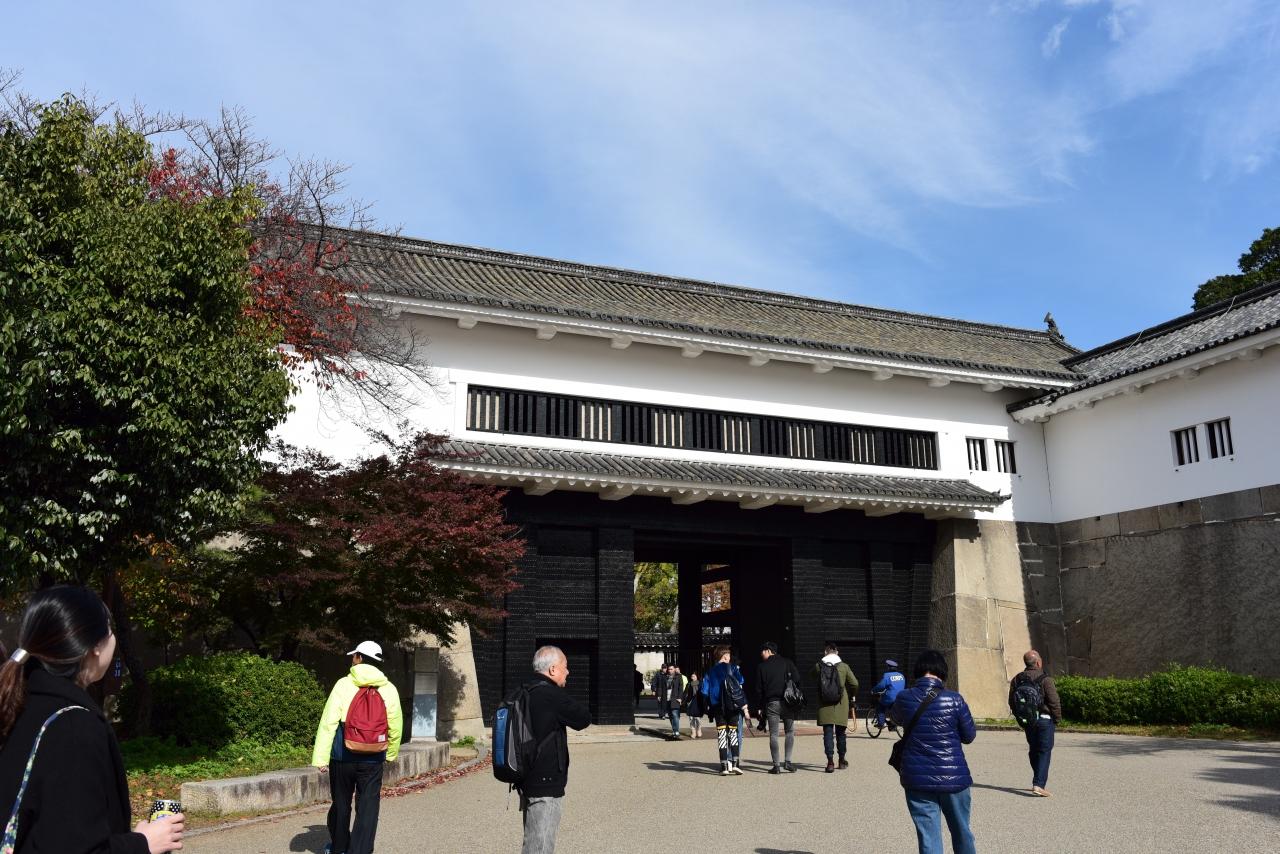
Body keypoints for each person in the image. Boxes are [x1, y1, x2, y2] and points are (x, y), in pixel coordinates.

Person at [0, 585, 185, 854]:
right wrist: (143, 843)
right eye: (109, 631)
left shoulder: (18, 704)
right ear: (95, 646)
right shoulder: (74, 727)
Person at [311, 640, 404, 854]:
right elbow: (396, 725)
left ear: (360, 658)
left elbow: (328, 723)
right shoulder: (389, 688)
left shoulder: (343, 684)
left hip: (342, 756)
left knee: (341, 804)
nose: (352, 659)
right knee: (368, 807)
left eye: (354, 656)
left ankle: (339, 848)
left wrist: (321, 758)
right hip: (373, 758)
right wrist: (390, 753)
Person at [890, 649, 977, 854]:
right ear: (942, 672)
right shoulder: (955, 699)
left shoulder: (904, 697)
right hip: (954, 777)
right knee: (961, 831)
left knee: (928, 837)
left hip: (917, 777)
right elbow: (969, 736)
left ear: (918, 670)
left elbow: (895, 718)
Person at [520, 645, 591, 854]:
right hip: (546, 782)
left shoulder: (523, 690)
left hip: (525, 776)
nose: (568, 672)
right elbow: (583, 719)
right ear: (552, 669)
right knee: (540, 845)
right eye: (565, 666)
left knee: (533, 838)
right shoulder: (550, 694)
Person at [1012, 649, 1062, 797]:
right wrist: (1057, 719)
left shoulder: (1017, 679)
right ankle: (1038, 785)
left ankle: (1038, 779)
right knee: (1044, 751)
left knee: (1034, 750)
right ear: (1038, 663)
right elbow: (1054, 702)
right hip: (1044, 720)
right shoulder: (1045, 679)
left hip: (1028, 721)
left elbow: (1012, 701)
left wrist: (1020, 717)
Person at [700, 646, 748, 775]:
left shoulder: (710, 671)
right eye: (729, 655)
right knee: (733, 733)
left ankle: (724, 766)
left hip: (717, 706)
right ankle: (735, 764)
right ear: (725, 656)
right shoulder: (733, 668)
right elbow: (741, 680)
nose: (730, 657)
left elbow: (704, 691)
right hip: (732, 705)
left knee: (722, 735)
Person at [756, 641, 801, 774]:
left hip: (772, 703)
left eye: (762, 651)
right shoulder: (787, 662)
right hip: (788, 702)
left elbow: (758, 690)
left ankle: (776, 766)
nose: (761, 654)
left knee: (774, 734)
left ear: (768, 651)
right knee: (789, 732)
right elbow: (797, 679)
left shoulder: (762, 667)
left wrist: (760, 706)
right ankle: (788, 762)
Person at [813, 641, 859, 772]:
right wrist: (852, 696)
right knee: (841, 733)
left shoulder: (819, 666)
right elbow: (855, 683)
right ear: (837, 652)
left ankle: (830, 763)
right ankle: (842, 761)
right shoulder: (844, 666)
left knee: (827, 733)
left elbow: (812, 676)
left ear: (825, 652)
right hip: (841, 703)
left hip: (824, 703)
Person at [872, 659, 907, 728]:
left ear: (888, 667)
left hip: (890, 698)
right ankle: (893, 725)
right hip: (900, 697)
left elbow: (881, 686)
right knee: (892, 709)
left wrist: (873, 690)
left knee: (880, 706)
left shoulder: (887, 675)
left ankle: (881, 723)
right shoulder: (901, 675)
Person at [664, 665, 687, 739]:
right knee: (670, 715)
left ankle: (676, 731)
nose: (670, 670)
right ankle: (674, 730)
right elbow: (662, 687)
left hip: (675, 698)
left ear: (674, 669)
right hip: (667, 698)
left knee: (675, 715)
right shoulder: (666, 677)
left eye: (671, 669)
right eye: (669, 669)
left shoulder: (678, 676)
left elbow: (681, 687)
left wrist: (680, 697)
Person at [684, 673, 703, 739]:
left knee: (697, 718)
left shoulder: (701, 684)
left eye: (694, 676)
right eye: (691, 676)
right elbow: (685, 693)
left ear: (697, 677)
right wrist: (684, 701)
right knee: (691, 718)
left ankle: (699, 729)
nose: (692, 677)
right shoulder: (689, 684)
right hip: (691, 702)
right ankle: (693, 732)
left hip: (698, 702)